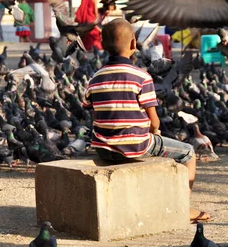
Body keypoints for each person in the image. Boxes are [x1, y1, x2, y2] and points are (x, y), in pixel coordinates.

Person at [83, 18, 210, 223]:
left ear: (103, 46)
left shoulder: (95, 78)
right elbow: (155, 122)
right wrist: (154, 131)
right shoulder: (141, 76)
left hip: (103, 148)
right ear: (134, 44)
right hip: (135, 145)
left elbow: (92, 111)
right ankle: (183, 207)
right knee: (188, 153)